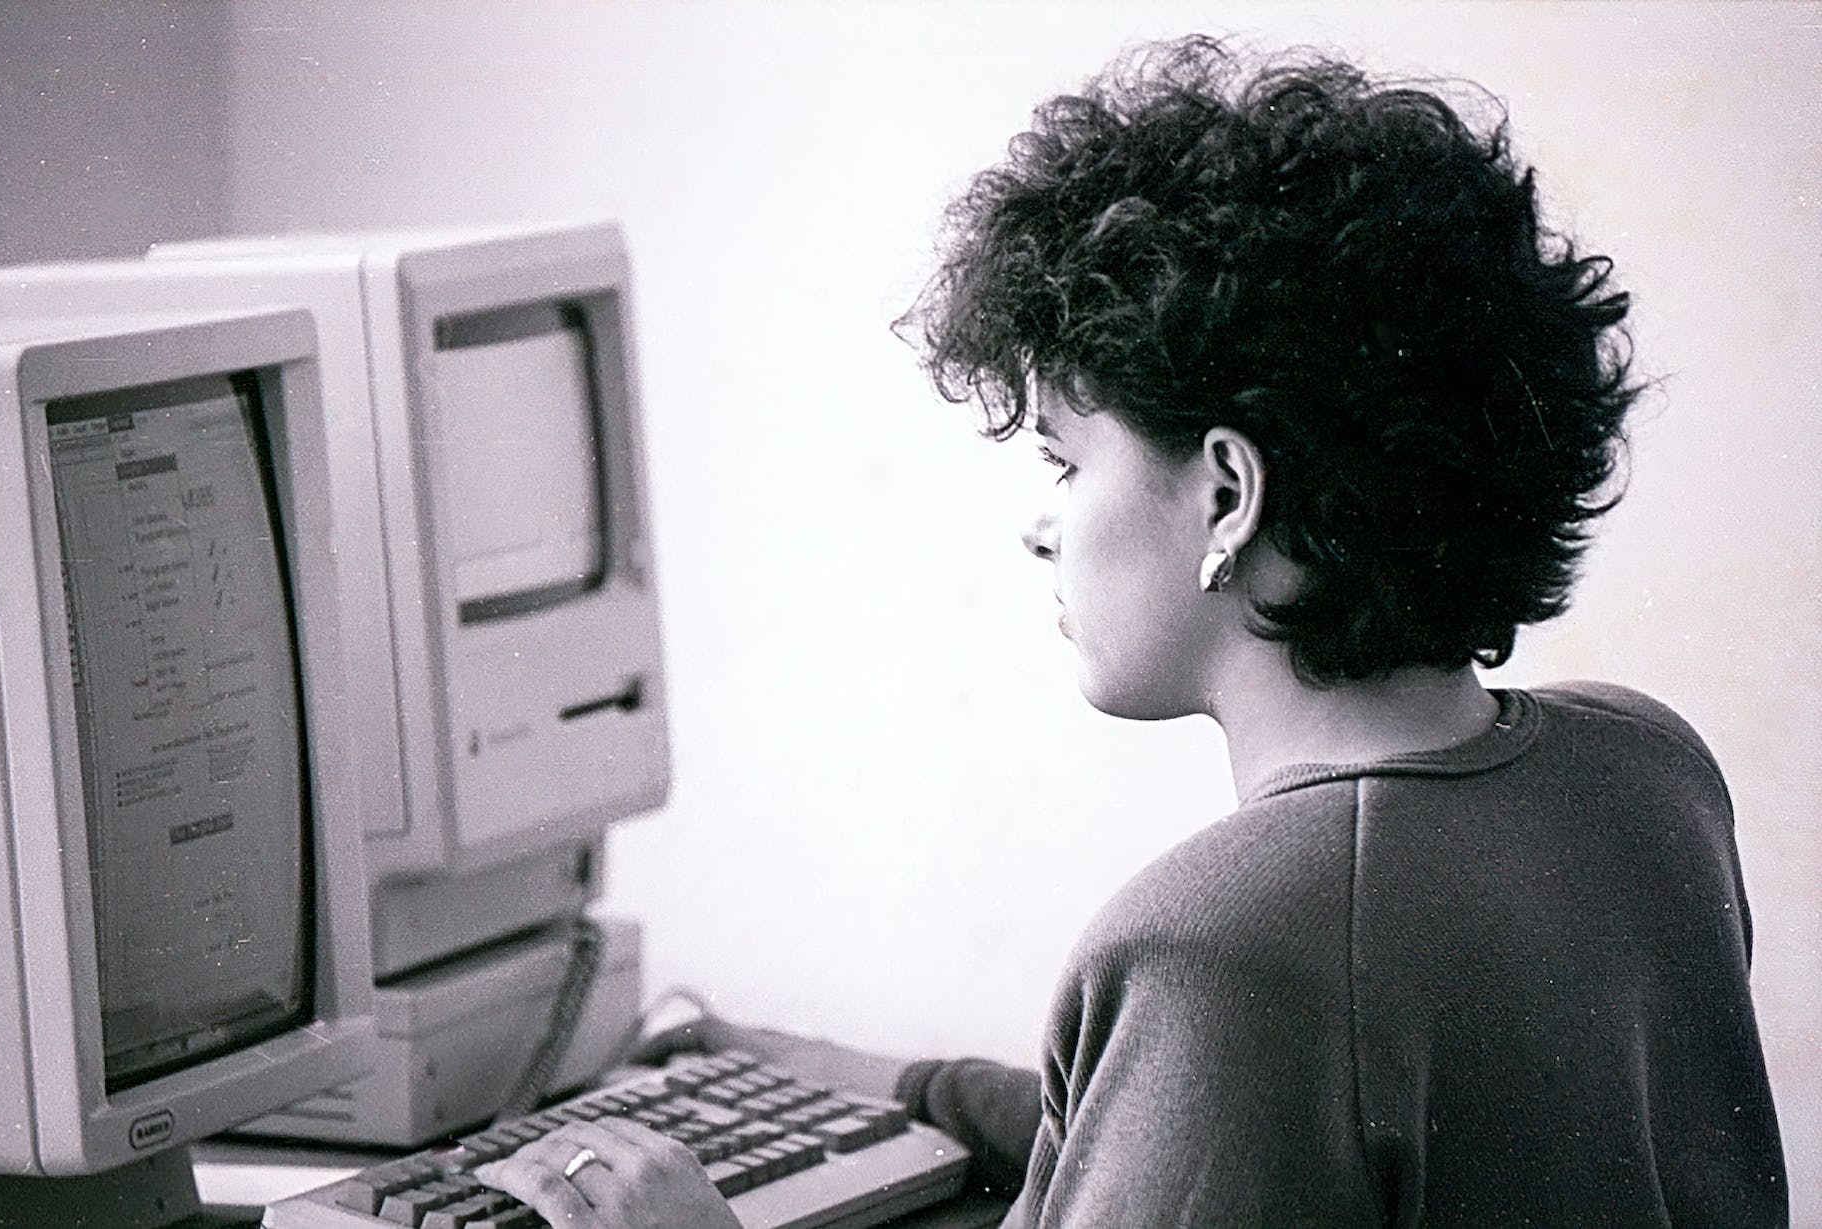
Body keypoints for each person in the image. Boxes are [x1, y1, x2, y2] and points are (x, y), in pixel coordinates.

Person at [475, 35, 1788, 1227]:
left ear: (1226, 494)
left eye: (1065, 458)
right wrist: (878, 1083)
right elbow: (1239, 1117)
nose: (1041, 526)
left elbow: (1245, 1051)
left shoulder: (1221, 950)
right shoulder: (1649, 770)